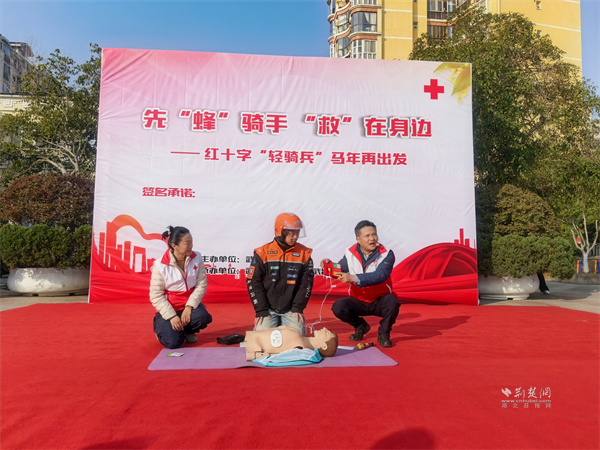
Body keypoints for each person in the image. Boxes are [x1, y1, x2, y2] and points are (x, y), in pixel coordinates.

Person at [321, 220, 400, 348]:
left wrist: (354, 278)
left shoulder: (387, 254)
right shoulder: (350, 253)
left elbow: (380, 275)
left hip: (379, 300)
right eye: (367, 236)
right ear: (358, 239)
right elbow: (341, 268)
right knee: (338, 307)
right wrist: (328, 266)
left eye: (374, 235)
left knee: (393, 302)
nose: (372, 239)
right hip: (359, 299)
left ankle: (384, 334)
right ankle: (361, 326)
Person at [247, 213, 314, 336]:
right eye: (291, 233)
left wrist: (298, 308)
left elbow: (306, 284)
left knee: (297, 338)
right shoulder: (262, 252)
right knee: (262, 338)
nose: (295, 237)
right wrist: (261, 310)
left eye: (297, 232)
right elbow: (253, 281)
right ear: (280, 231)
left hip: (291, 309)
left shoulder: (304, 254)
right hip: (268, 309)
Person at [150, 226, 212, 349]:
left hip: (187, 306)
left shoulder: (197, 258)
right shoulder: (160, 265)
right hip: (169, 309)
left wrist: (189, 307)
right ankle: (161, 328)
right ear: (174, 246)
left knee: (203, 317)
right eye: (187, 243)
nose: (191, 246)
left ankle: (188, 331)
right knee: (173, 343)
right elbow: (155, 295)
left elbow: (201, 284)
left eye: (192, 242)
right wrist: (172, 316)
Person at [244, 326, 338, 361]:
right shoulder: (297, 336)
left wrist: (255, 354)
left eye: (327, 333)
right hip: (253, 341)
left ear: (324, 346)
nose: (325, 328)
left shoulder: (298, 343)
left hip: (253, 345)